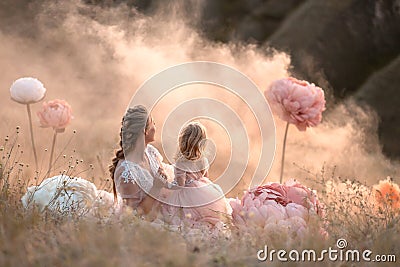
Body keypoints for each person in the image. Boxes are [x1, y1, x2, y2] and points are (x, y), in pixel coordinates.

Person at [109, 105, 172, 216]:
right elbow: (136, 215)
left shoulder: (151, 152)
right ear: (145, 131)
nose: (155, 127)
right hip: (144, 222)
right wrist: (156, 187)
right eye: (153, 123)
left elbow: (164, 174)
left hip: (163, 210)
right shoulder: (126, 172)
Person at [161, 122, 228, 226]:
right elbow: (205, 177)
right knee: (203, 211)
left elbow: (181, 185)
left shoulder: (181, 162)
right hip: (202, 190)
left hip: (186, 194)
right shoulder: (203, 160)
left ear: (182, 141)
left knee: (180, 215)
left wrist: (167, 185)